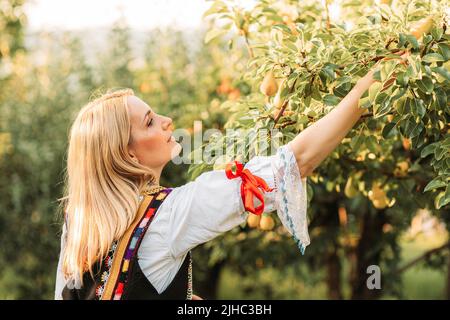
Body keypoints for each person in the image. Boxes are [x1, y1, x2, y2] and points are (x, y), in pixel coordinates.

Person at [54, 55, 402, 300]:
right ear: (127, 154)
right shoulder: (167, 218)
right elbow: (298, 160)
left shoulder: (80, 219)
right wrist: (373, 82)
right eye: (149, 121)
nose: (166, 120)